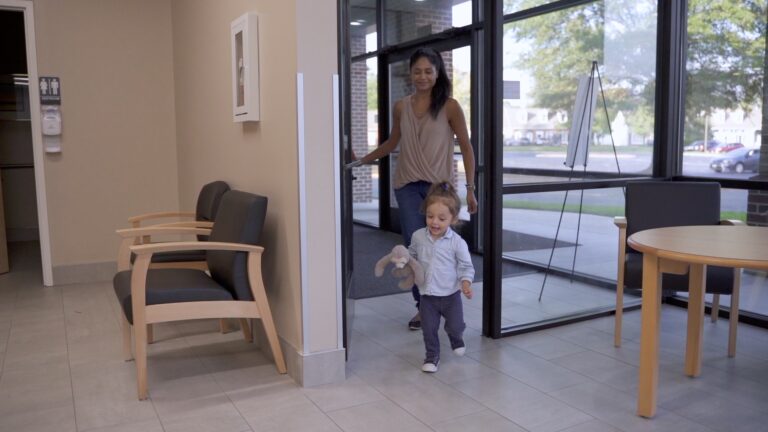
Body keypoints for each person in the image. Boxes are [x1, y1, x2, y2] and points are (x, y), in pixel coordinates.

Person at [346, 47, 477, 331]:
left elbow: (466, 147)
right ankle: (424, 309)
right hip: (406, 186)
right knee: (414, 251)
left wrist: (470, 188)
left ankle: (449, 303)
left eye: (428, 71)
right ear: (410, 73)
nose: (422, 76)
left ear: (438, 72)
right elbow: (392, 143)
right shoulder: (401, 106)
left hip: (438, 190)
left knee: (441, 251)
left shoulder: (450, 106)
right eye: (417, 71)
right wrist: (360, 161)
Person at [408, 181, 473, 373]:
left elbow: (466, 266)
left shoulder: (457, 243)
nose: (434, 222)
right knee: (429, 329)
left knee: (455, 326)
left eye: (441, 218)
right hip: (427, 295)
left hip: (451, 295)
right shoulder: (418, 236)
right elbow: (411, 254)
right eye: (430, 216)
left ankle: (456, 337)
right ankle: (432, 356)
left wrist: (466, 282)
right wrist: (405, 261)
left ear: (453, 219)